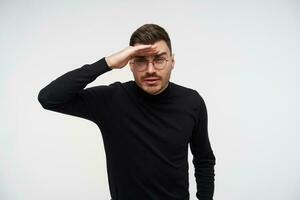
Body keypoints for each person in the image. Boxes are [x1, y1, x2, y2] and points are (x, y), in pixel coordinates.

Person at [38, 23, 216, 200]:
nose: (150, 70)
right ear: (130, 63)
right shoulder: (112, 99)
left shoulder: (192, 102)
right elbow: (49, 97)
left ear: (172, 61)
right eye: (140, 61)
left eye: (159, 59)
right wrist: (107, 63)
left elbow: (204, 160)